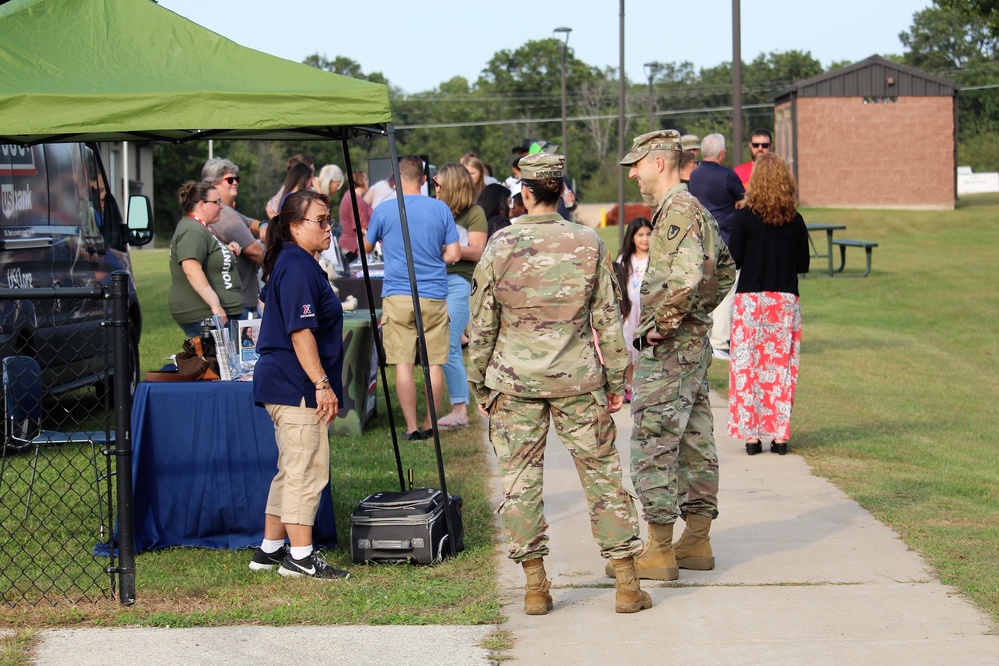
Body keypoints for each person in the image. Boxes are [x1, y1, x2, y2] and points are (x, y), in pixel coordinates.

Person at [468, 152, 650, 616]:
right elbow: (609, 318)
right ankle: (627, 584)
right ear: (561, 190)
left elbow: (482, 320)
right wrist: (615, 379)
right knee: (603, 478)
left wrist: (479, 382)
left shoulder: (500, 244)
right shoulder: (588, 242)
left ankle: (535, 588)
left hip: (514, 382)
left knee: (520, 483)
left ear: (525, 193)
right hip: (579, 379)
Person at [616, 129, 736, 581]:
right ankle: (697, 540)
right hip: (690, 348)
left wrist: (658, 331)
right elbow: (724, 268)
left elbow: (687, 279)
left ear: (659, 163)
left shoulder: (677, 211)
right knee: (695, 439)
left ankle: (660, 549)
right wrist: (697, 317)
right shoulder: (691, 210)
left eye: (637, 163)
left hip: (669, 352)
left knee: (653, 444)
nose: (632, 172)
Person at [250, 190, 349, 580]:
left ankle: (270, 550)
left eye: (329, 219)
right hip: (295, 384)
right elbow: (300, 332)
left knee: (290, 469)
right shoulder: (296, 266)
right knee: (307, 469)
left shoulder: (296, 263)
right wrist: (322, 384)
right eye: (321, 221)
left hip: (285, 381)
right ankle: (301, 558)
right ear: (294, 226)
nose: (329, 227)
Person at [363, 155, 460, 441]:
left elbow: (366, 247)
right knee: (433, 363)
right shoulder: (440, 208)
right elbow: (454, 254)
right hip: (433, 294)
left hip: (397, 293)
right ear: (424, 179)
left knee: (403, 363)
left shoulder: (384, 209)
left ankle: (411, 427)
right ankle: (431, 423)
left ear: (395, 178)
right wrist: (434, 257)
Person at [726, 154, 809, 456]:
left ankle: (751, 437)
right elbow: (803, 263)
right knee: (781, 369)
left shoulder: (744, 218)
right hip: (784, 300)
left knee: (749, 368)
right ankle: (780, 436)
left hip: (751, 300)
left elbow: (736, 258)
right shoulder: (796, 221)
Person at [433, 164, 488, 430]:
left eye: (438, 184)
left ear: (452, 186)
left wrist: (449, 248)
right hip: (434, 280)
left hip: (461, 281)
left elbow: (478, 251)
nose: (435, 188)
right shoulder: (436, 210)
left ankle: (459, 410)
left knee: (448, 342)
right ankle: (448, 405)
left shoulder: (474, 213)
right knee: (436, 344)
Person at [688, 133, 745, 360]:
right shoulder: (728, 175)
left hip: (701, 239)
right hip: (725, 238)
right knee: (727, 289)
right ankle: (720, 341)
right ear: (722, 153)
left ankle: (705, 336)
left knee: (705, 288)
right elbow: (745, 198)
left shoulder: (694, 175)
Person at [168, 181, 244, 337]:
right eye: (216, 202)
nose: (221, 206)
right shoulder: (193, 230)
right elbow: (191, 268)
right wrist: (215, 305)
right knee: (213, 361)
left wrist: (226, 251)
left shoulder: (200, 227)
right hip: (204, 315)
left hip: (212, 314)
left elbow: (207, 256)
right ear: (202, 205)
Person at [202, 157, 265, 318]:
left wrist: (263, 226)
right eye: (229, 180)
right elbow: (255, 251)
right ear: (212, 184)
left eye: (236, 178)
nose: (235, 182)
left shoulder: (228, 211)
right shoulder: (224, 214)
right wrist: (281, 267)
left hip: (237, 301)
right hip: (238, 305)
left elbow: (251, 224)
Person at [614, 217, 653, 402]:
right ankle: (630, 386)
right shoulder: (624, 260)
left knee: (646, 350)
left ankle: (646, 386)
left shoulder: (656, 259)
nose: (645, 239)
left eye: (648, 234)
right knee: (630, 350)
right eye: (641, 235)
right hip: (629, 312)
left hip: (648, 312)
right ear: (632, 237)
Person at [338, 170, 373, 265]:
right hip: (352, 248)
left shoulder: (349, 195)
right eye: (366, 179)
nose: (368, 181)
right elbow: (363, 227)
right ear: (360, 180)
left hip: (348, 246)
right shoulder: (356, 200)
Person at [265, 154, 313, 220]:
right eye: (311, 179)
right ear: (305, 179)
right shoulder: (293, 199)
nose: (311, 183)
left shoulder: (288, 195)